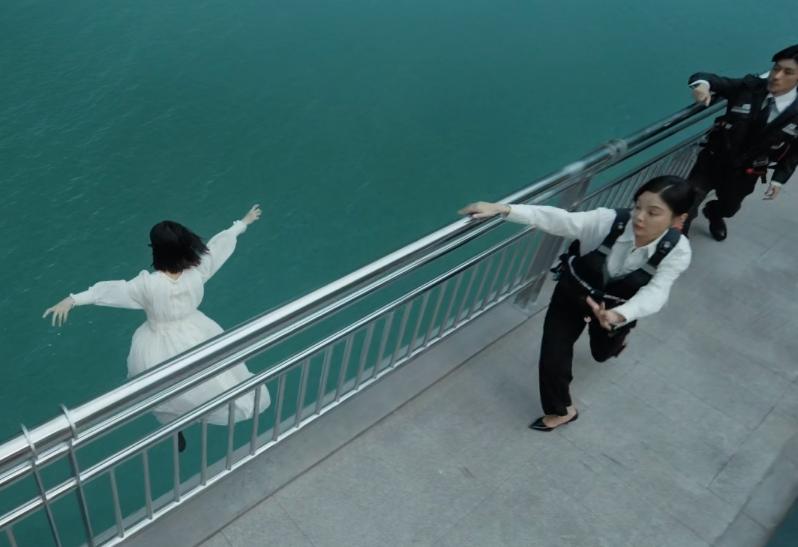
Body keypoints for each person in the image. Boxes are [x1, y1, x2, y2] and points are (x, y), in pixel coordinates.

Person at [458, 176, 694, 431]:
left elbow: (657, 292)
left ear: (678, 219)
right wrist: (503, 209)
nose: (639, 217)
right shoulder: (608, 221)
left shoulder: (677, 251)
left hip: (614, 310)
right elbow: (560, 220)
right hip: (573, 294)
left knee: (601, 353)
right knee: (553, 355)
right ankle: (561, 410)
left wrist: (620, 315)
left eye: (653, 213)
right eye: (637, 206)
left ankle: (617, 342)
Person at [43, 205, 271, 451]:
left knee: (161, 391)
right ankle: (216, 408)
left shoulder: (148, 286)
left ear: (156, 252)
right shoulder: (197, 272)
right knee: (217, 375)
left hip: (158, 343)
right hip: (198, 331)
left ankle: (175, 428)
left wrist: (73, 299)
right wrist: (242, 223)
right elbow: (217, 250)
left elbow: (112, 291)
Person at [684, 44, 798, 240]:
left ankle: (714, 212)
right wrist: (702, 86)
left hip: (749, 171)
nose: (777, 76)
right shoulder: (749, 88)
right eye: (776, 68)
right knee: (687, 203)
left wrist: (779, 179)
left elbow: (795, 152)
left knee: (730, 207)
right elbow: (708, 78)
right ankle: (677, 241)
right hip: (714, 158)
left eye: (788, 72)